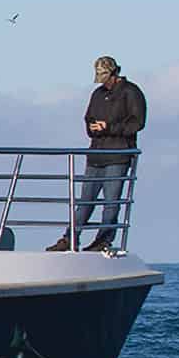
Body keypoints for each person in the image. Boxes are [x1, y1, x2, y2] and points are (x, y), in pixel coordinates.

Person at [54, 54, 147, 252]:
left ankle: (103, 240)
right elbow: (88, 118)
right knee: (85, 201)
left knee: (111, 202)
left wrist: (110, 127)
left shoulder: (131, 92)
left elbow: (137, 122)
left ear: (114, 73)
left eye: (105, 77)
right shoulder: (97, 94)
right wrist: (93, 127)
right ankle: (70, 237)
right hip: (96, 154)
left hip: (119, 155)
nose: (102, 82)